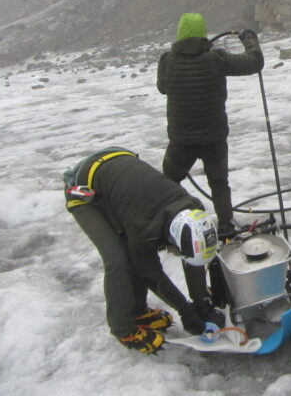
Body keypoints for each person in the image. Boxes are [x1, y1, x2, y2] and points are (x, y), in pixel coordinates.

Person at [63, 147, 226, 353]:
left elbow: (191, 255)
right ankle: (124, 329)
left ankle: (139, 312)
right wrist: (184, 309)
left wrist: (201, 302)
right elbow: (149, 273)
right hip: (85, 189)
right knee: (118, 259)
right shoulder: (146, 229)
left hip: (120, 168)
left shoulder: (192, 211)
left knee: (132, 251)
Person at [157, 13, 264, 235]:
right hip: (213, 139)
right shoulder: (216, 60)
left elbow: (162, 88)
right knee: (219, 183)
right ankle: (225, 226)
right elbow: (255, 62)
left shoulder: (167, 61)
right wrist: (249, 39)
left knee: (167, 183)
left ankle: (175, 222)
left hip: (180, 142)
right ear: (203, 34)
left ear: (180, 34)